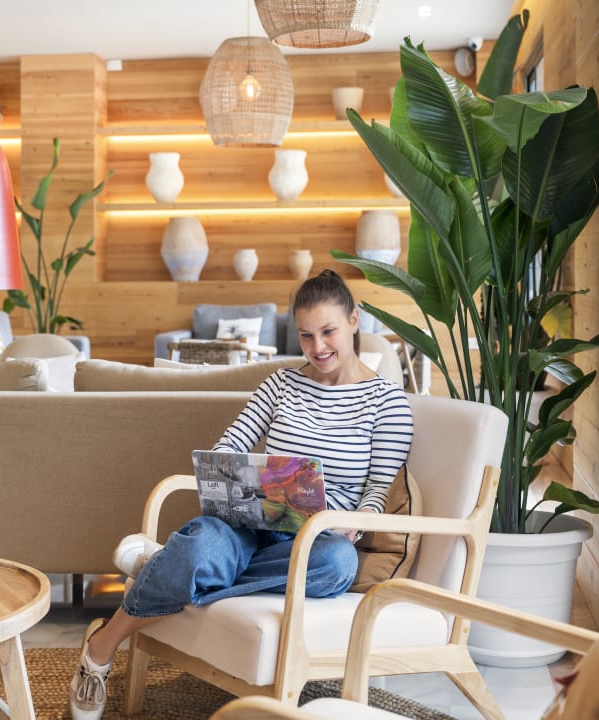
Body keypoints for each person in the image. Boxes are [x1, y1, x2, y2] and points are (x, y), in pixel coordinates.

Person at [68, 269, 414, 720]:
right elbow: (228, 446)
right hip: (251, 523)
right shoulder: (281, 385)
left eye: (328, 331)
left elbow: (375, 494)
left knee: (337, 565)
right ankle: (101, 649)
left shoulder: (388, 404)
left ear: (354, 320)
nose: (318, 347)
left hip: (316, 541)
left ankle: (165, 562)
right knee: (207, 547)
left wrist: (355, 520)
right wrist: (226, 468)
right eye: (307, 336)